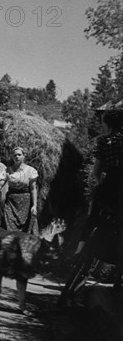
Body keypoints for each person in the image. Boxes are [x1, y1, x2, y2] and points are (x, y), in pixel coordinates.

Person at [77, 108, 123, 287]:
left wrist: (98, 184)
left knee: (93, 216)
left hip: (109, 186)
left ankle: (79, 249)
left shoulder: (104, 141)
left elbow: (96, 172)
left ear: (107, 124)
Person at [0, 146, 39, 235]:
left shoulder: (30, 171)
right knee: (8, 223)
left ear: (24, 156)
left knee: (26, 228)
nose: (17, 157)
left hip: (26, 202)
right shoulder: (7, 170)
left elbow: (33, 189)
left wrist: (34, 206)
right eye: (15, 155)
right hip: (11, 202)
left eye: (19, 155)